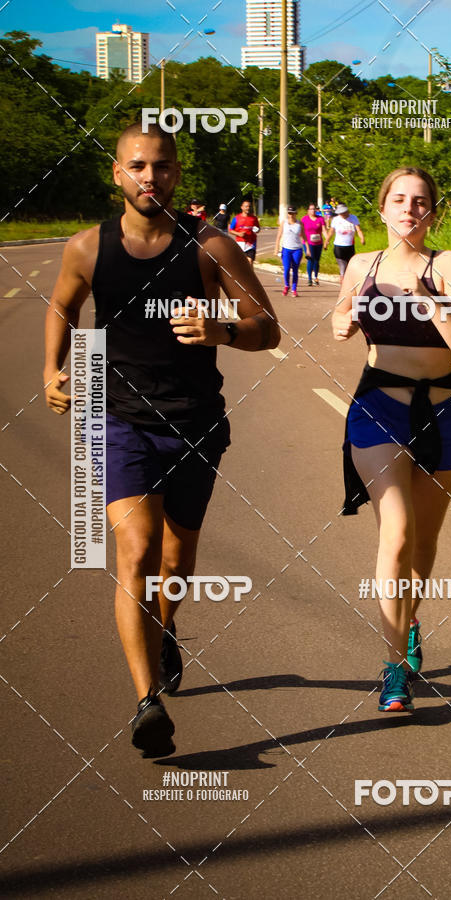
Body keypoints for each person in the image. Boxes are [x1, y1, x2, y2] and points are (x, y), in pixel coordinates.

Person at [43, 122, 280, 757]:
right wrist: (52, 368)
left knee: (177, 561)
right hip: (116, 418)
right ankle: (147, 701)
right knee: (136, 550)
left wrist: (222, 331)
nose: (151, 176)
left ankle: (165, 628)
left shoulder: (211, 248)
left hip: (196, 424)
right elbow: (64, 305)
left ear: (177, 174)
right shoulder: (88, 247)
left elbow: (268, 327)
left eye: (163, 165)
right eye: (138, 166)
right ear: (117, 174)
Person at [331, 166, 451, 713]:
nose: (410, 209)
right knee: (395, 534)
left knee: (421, 545)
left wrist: (434, 305)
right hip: (378, 410)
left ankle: (410, 621)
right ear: (381, 209)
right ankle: (394, 667)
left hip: (444, 413)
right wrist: (343, 323)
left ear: (432, 212)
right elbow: (340, 319)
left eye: (421, 201)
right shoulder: (362, 265)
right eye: (399, 199)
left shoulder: (446, 266)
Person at [325, 203, 365, 280]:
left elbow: (358, 229)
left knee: (349, 266)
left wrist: (362, 238)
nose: (342, 214)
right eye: (341, 213)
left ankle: (348, 283)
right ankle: (343, 284)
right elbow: (331, 232)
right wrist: (326, 242)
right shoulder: (336, 219)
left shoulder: (353, 218)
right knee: (342, 266)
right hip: (338, 246)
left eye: (344, 212)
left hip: (350, 246)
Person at [275, 206, 306, 296]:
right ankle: (286, 286)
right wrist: (276, 248)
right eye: (289, 213)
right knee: (287, 268)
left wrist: (307, 249)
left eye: (292, 213)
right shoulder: (284, 223)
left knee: (295, 270)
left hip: (297, 250)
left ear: (296, 214)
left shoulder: (299, 224)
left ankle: (294, 289)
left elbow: (304, 237)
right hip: (286, 249)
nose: (291, 215)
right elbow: (279, 236)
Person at [229, 199, 261, 267]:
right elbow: (230, 230)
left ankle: (250, 277)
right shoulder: (236, 218)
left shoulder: (254, 218)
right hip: (240, 243)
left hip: (251, 244)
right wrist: (238, 234)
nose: (248, 208)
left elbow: (258, 229)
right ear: (242, 207)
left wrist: (257, 230)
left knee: (250, 263)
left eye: (249, 206)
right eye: (246, 206)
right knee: (240, 264)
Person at [301, 203, 325, 286]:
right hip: (308, 243)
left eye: (314, 209)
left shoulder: (320, 219)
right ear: (308, 210)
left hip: (318, 243)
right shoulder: (304, 219)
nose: (313, 210)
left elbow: (324, 230)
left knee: (317, 261)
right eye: (311, 209)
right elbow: (301, 231)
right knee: (310, 259)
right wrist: (301, 240)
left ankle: (316, 277)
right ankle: (309, 279)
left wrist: (327, 240)